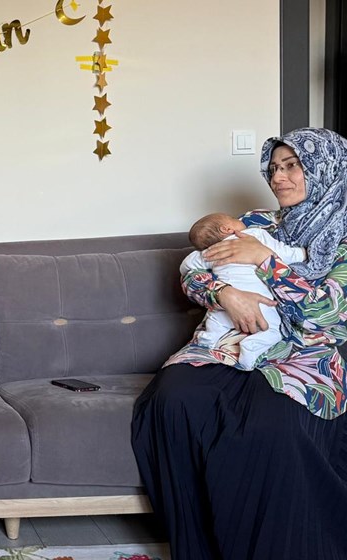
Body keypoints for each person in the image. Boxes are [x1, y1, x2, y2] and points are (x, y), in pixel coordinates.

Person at [132, 127, 347, 560]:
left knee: (272, 424)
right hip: (226, 344)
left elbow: (330, 315)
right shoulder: (254, 222)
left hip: (303, 355)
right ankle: (200, 550)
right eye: (273, 168)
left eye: (292, 166)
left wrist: (265, 262)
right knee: (172, 399)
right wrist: (226, 294)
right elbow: (195, 272)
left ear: (325, 170)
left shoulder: (341, 240)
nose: (278, 178)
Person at [183, 212, 306, 370]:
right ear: (226, 228)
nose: (241, 221)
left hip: (225, 309)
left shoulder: (212, 252)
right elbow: (285, 254)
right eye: (234, 219)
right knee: (275, 330)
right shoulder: (254, 234)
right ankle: (251, 347)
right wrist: (303, 253)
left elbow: (187, 265)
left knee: (216, 320)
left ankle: (208, 337)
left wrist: (204, 255)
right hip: (259, 302)